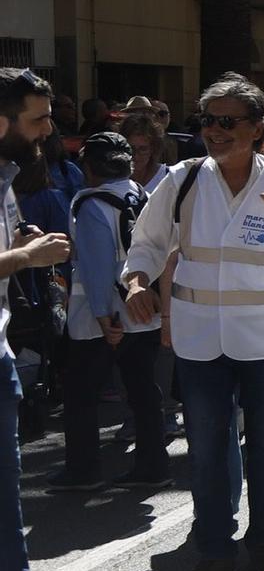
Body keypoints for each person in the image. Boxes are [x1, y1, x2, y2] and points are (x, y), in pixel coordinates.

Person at [122, 74, 264, 571]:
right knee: (206, 450)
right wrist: (136, 282)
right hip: (199, 339)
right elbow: (145, 244)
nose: (215, 131)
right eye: (208, 120)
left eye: (229, 122)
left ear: (257, 128)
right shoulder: (183, 179)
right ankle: (213, 552)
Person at [0, 69, 90, 571]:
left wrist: (17, 244)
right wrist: (27, 257)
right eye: (37, 117)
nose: (48, 128)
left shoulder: (8, 175)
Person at [51, 133, 168, 492]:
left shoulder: (90, 204)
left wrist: (103, 315)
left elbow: (96, 265)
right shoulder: (141, 194)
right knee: (143, 389)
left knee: (80, 393)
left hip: (102, 318)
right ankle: (152, 465)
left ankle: (82, 471)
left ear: (88, 166)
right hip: (141, 308)